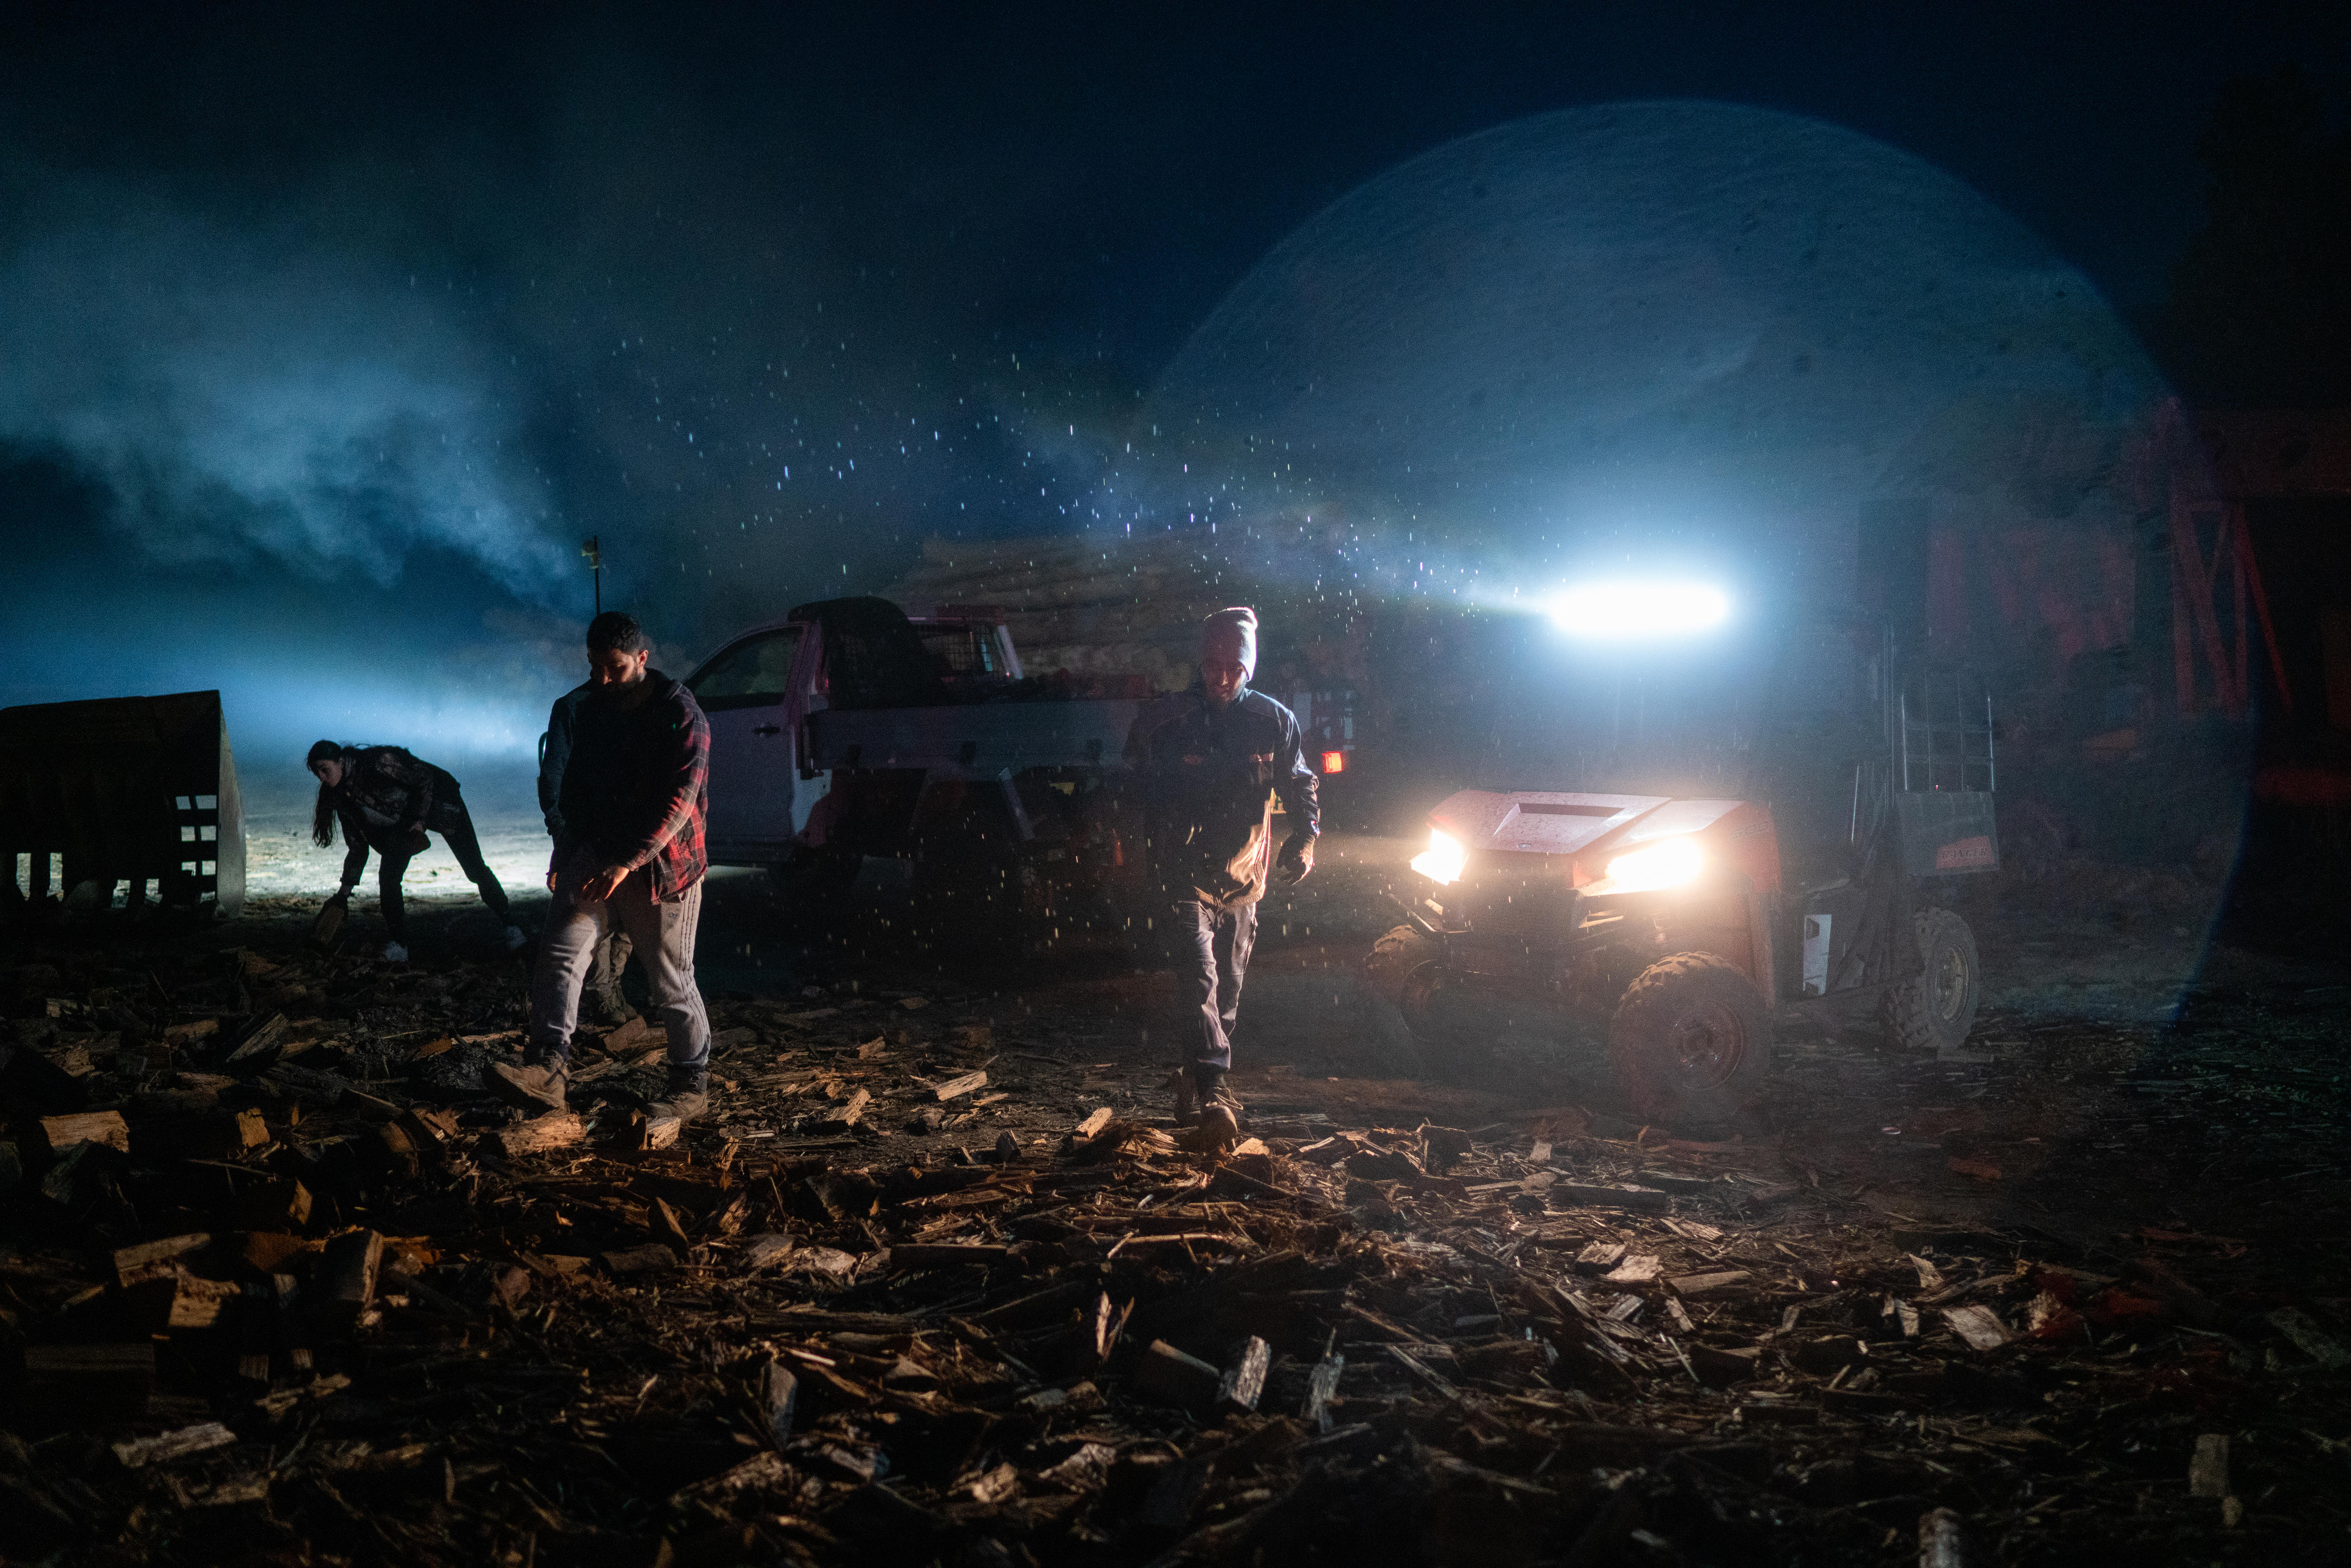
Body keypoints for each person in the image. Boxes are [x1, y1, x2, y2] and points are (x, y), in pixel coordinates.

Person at [495, 611, 714, 1122]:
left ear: (642, 658)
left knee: (670, 981)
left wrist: (629, 861)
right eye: (595, 667)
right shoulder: (595, 709)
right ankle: (548, 1069)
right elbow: (577, 789)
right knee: (560, 955)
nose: (602, 678)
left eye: (614, 667)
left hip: (662, 867)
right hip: (596, 853)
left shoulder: (681, 713)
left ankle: (691, 1081)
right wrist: (565, 852)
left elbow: (679, 799)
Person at [1139, 607, 1319, 1145]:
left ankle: (1194, 1077)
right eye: (1211, 664)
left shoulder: (1273, 721)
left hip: (1243, 876)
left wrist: (1305, 837)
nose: (1219, 676)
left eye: (1232, 667)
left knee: (1227, 991)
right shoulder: (1169, 721)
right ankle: (1216, 1086)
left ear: (1248, 668)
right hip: (1183, 875)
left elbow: (1301, 784)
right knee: (1199, 977)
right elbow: (1134, 785)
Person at [308, 741, 527, 963]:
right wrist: (344, 894)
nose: (322, 778)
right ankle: (399, 945)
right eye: (317, 773)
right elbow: (357, 847)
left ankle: (512, 928)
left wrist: (419, 821)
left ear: (341, 760)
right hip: (403, 824)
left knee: (474, 868)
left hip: (442, 803)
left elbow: (424, 779)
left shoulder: (378, 762)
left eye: (324, 769)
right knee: (389, 878)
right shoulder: (341, 797)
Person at [540, 677, 638, 1026]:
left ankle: (612, 987)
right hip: (590, 833)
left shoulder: (638, 705)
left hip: (627, 831)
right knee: (598, 916)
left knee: (625, 920)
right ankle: (601, 996)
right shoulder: (574, 707)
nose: (608, 676)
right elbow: (553, 779)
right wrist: (562, 837)